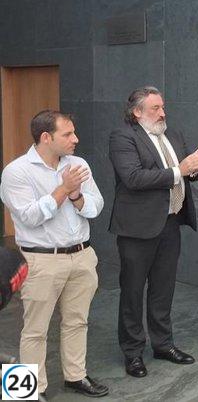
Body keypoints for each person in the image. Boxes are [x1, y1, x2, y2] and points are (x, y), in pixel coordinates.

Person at [0, 110, 108, 398]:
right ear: (46, 137)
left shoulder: (78, 163)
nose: (76, 139)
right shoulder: (16, 171)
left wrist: (76, 196)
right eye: (68, 134)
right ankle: (24, 393)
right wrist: (64, 189)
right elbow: (29, 217)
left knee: (78, 321)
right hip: (40, 260)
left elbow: (95, 207)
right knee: (33, 329)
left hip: (83, 256)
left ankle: (76, 376)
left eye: (74, 132)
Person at [108, 87, 198, 378]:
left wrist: (197, 168)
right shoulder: (123, 137)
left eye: (163, 107)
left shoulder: (173, 134)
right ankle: (132, 352)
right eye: (155, 108)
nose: (162, 113)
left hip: (170, 222)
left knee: (163, 289)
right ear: (137, 111)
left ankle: (163, 344)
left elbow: (184, 171)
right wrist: (182, 169)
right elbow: (133, 178)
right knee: (132, 291)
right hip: (137, 228)